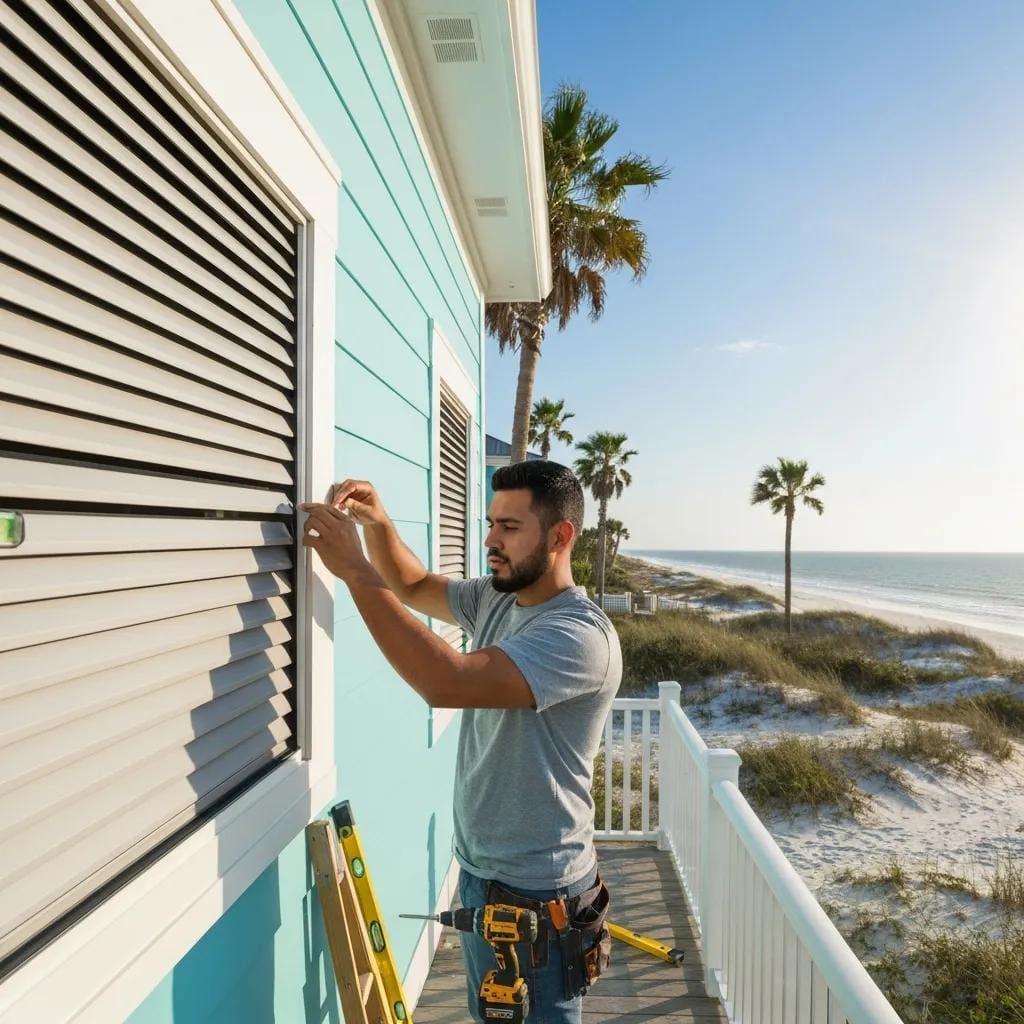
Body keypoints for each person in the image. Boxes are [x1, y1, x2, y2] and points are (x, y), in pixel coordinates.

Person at [299, 460, 621, 1024]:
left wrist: (354, 570)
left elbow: (448, 681)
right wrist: (378, 526)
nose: (491, 540)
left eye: (511, 528)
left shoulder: (579, 636)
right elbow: (414, 585)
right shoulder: (499, 598)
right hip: (484, 877)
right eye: (491, 522)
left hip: (539, 899)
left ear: (561, 536)